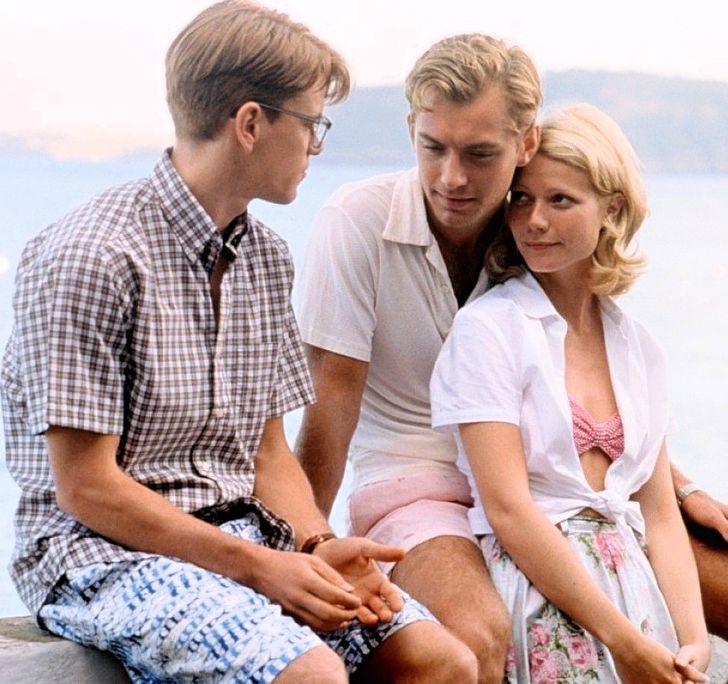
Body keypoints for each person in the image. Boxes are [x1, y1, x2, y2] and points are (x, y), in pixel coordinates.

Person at [0, 2, 478, 682]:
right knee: (311, 674)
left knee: (440, 662)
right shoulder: (91, 257)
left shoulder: (266, 258)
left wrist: (315, 544)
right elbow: (86, 490)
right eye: (312, 124)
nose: (317, 146)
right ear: (251, 123)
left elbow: (267, 451)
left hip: (240, 535)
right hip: (98, 556)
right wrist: (260, 568)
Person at [295, 31, 728, 682]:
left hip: (546, 481)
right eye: (433, 148)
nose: (452, 178)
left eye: (480, 154)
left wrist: (674, 483)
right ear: (411, 130)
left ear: (525, 143)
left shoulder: (533, 228)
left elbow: (585, 382)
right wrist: (307, 550)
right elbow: (331, 405)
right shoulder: (358, 221)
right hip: (422, 487)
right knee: (478, 635)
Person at [430, 103, 710, 682]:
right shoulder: (490, 329)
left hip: (637, 596)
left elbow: (659, 515)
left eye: (560, 200)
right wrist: (622, 642)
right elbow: (508, 510)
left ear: (612, 210)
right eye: (521, 199)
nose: (534, 220)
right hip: (542, 597)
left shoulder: (638, 348)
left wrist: (695, 638)